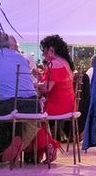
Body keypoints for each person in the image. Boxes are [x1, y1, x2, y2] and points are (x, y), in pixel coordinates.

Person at [0, 31, 39, 163]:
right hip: (34, 104)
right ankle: (16, 140)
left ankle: (4, 149)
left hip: (13, 104)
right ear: (8, 43)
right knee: (11, 112)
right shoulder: (21, 57)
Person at [31, 34, 77, 162]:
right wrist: (40, 77)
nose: (43, 54)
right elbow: (51, 84)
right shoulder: (64, 62)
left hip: (57, 105)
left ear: (51, 49)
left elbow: (46, 88)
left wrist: (34, 83)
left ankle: (48, 147)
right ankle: (47, 147)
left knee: (33, 116)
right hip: (67, 103)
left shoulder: (54, 64)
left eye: (44, 51)